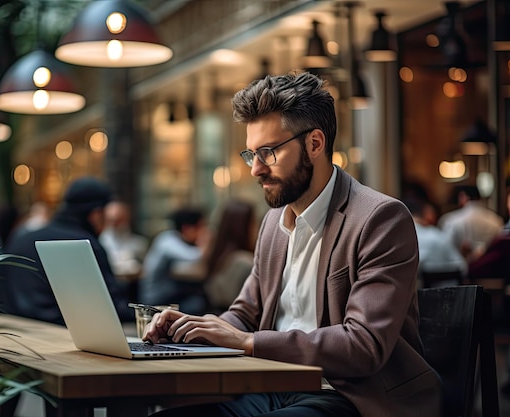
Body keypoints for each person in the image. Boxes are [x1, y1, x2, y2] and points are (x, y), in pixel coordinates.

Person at [144, 71, 442, 417]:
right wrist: (193, 329)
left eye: (268, 152)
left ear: (315, 144)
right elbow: (244, 314)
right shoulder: (273, 222)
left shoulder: (380, 219)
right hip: (272, 387)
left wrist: (249, 342)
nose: (255, 169)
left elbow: (364, 345)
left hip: (351, 395)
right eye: (251, 154)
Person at [0, 177, 132, 325]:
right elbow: (111, 308)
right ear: (95, 215)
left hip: (15, 332)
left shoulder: (22, 239)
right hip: (65, 337)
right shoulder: (85, 245)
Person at [138, 207, 211, 315]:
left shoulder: (176, 239)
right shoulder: (167, 240)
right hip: (155, 300)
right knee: (197, 302)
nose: (203, 230)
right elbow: (194, 256)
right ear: (186, 228)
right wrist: (206, 241)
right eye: (200, 227)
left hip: (169, 293)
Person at [402, 195, 466, 287]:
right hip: (448, 297)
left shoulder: (401, 238)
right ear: (423, 213)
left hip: (414, 297)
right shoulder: (439, 236)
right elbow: (462, 267)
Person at [438, 185, 503, 262]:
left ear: (462, 196)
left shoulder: (451, 220)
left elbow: (446, 250)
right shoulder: (496, 220)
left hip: (463, 269)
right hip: (492, 268)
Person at [99, 200, 149, 277]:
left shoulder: (139, 242)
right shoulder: (100, 241)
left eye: (118, 220)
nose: (115, 224)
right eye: (111, 220)